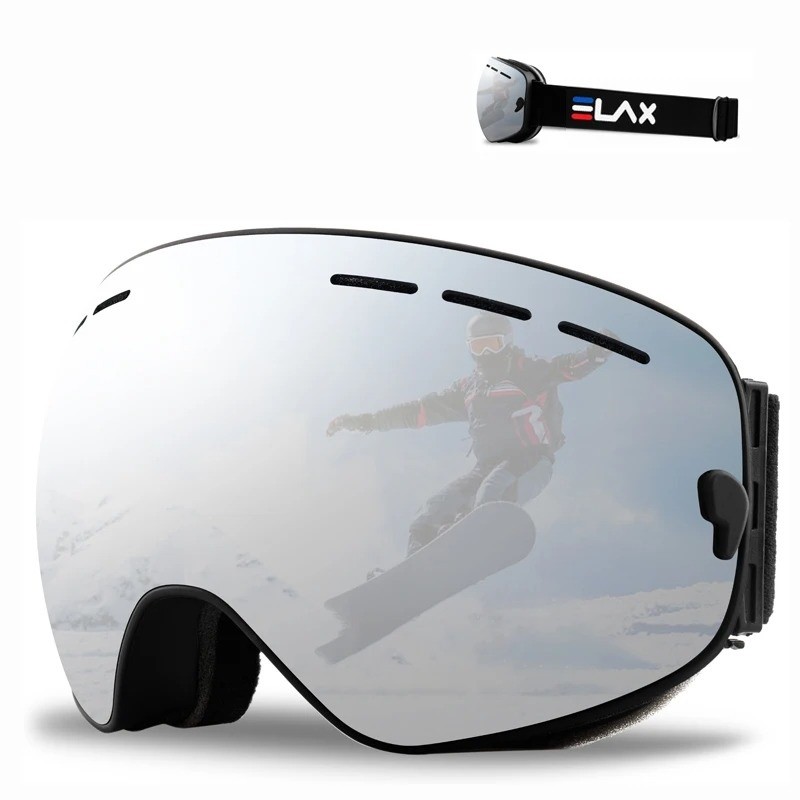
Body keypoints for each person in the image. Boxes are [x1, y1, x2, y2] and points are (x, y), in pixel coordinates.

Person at [327, 313, 613, 556]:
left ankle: (469, 537)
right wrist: (364, 421)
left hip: (529, 459)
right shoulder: (468, 390)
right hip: (485, 466)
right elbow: (417, 411)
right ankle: (418, 561)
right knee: (430, 512)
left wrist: (597, 351)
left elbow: (567, 367)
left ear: (507, 343)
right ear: (470, 349)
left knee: (490, 494)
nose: (486, 353)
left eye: (493, 344)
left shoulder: (528, 371)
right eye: (479, 346)